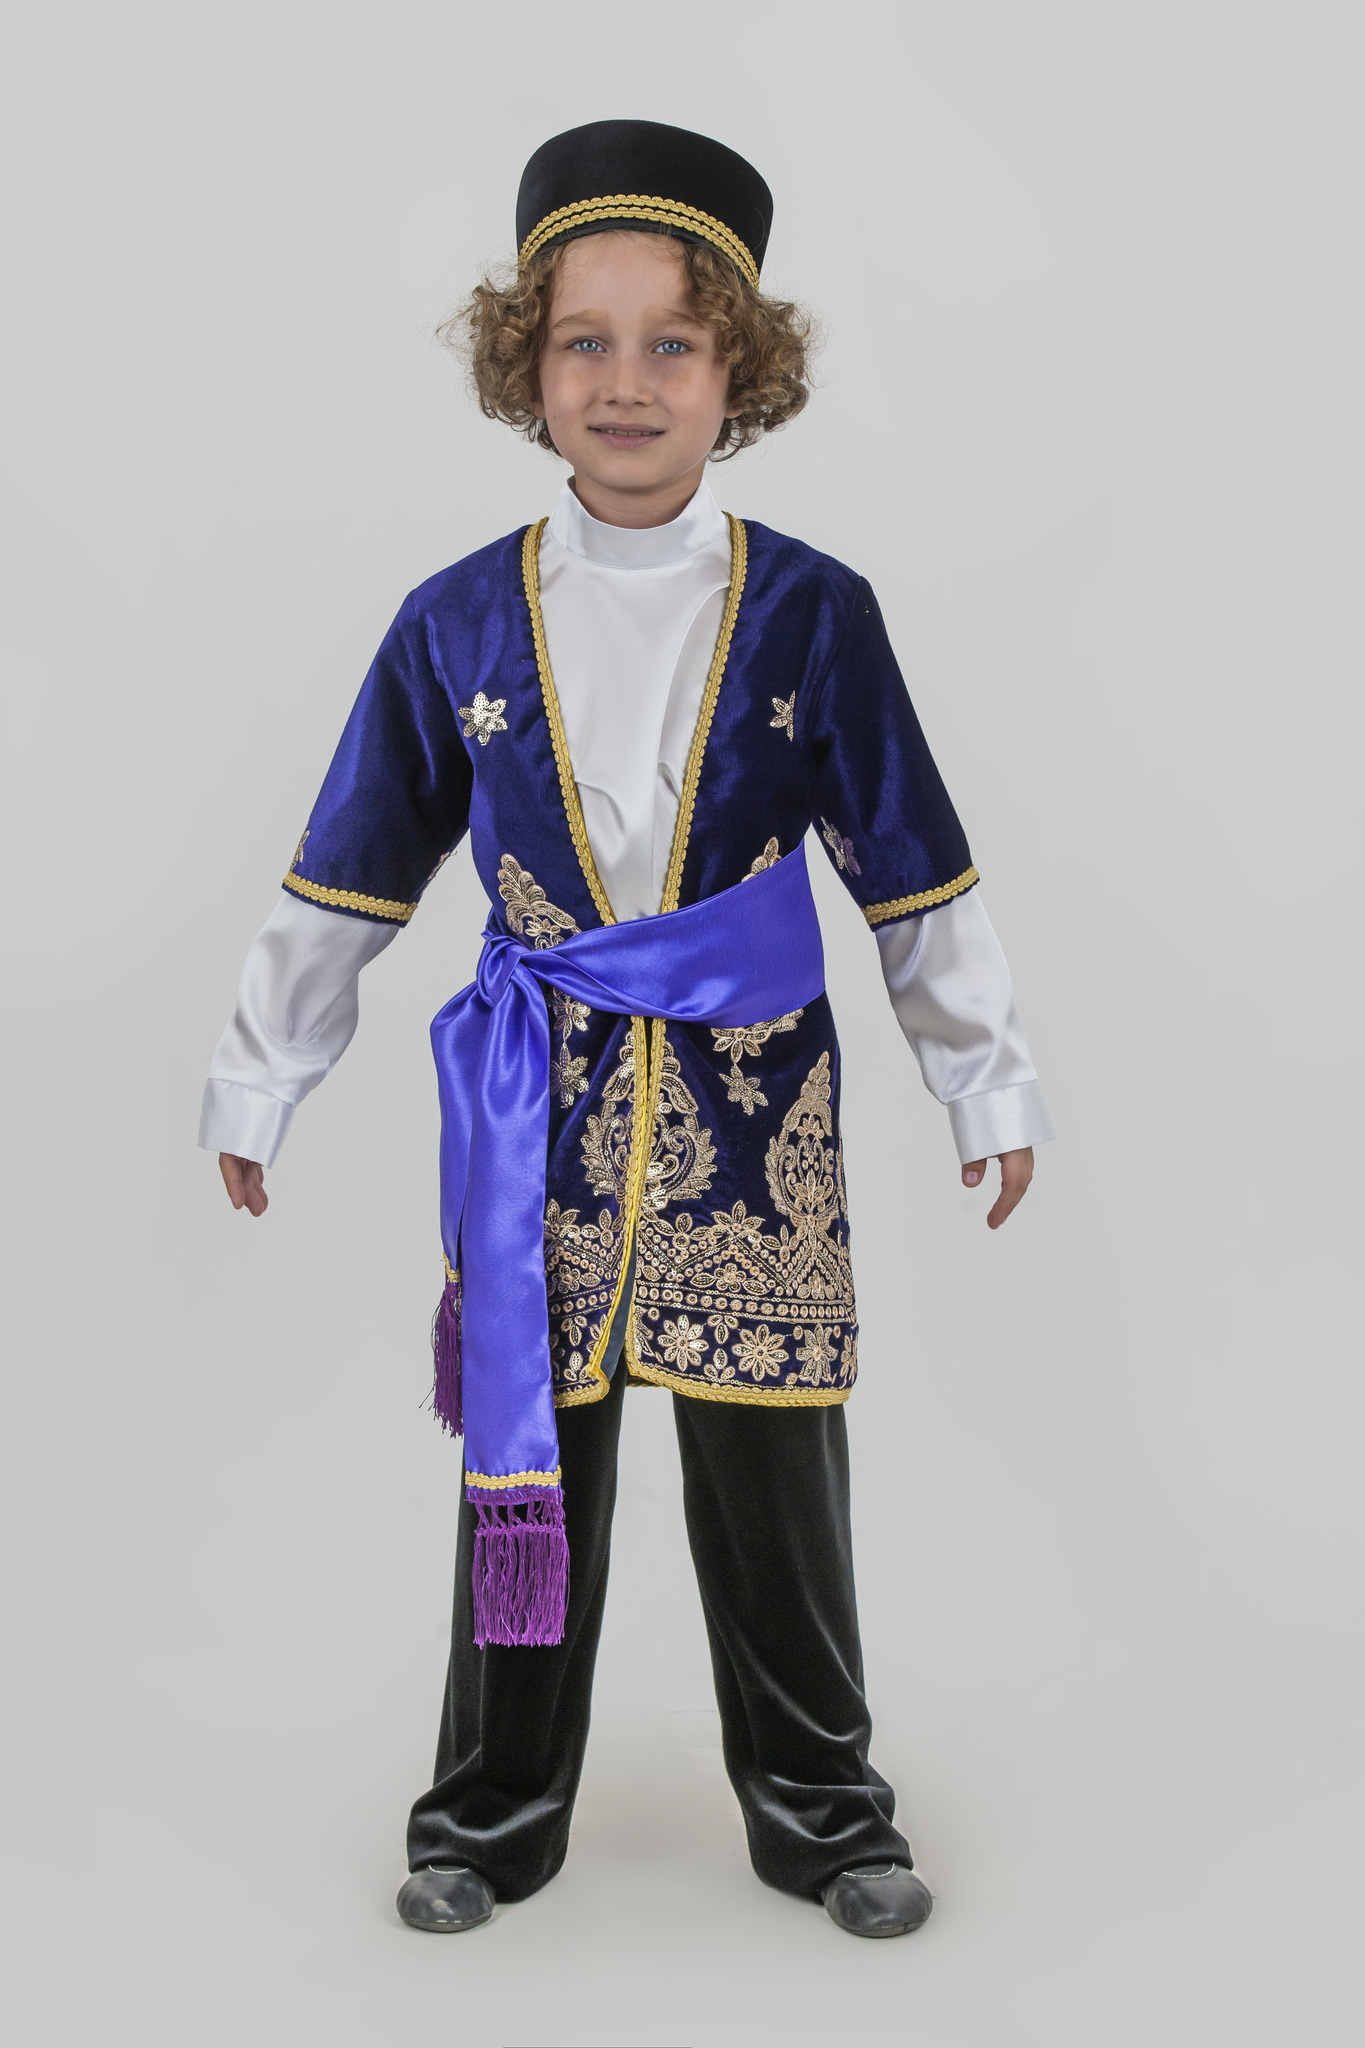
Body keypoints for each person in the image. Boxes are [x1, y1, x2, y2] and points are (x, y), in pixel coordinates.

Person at [200, 119, 1053, 1941]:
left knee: (773, 1471)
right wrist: (259, 1078)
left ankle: (824, 1815)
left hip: (756, 1116)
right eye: (583, 341)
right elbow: (351, 865)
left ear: (741, 371)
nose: (626, 381)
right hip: (543, 1113)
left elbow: (910, 867)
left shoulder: (814, 613)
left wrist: (983, 1078)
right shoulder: (454, 622)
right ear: (527, 365)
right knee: (530, 1463)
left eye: (673, 342)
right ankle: (487, 1816)